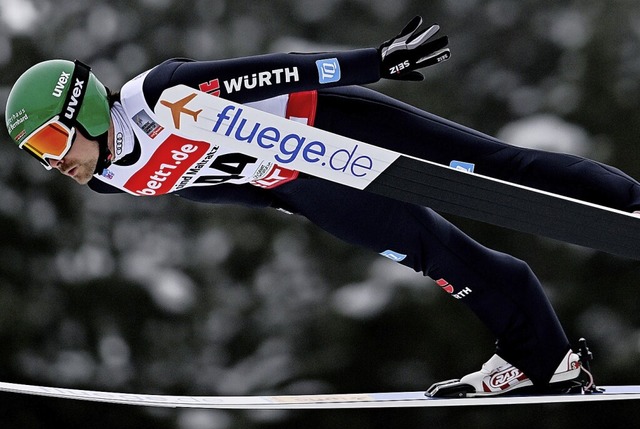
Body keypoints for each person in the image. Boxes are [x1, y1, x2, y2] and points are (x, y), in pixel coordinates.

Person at [5, 16, 637, 397]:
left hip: (326, 129)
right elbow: (216, 184)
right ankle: (542, 359)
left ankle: (630, 205)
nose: (54, 161)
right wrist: (290, 200)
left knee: (498, 168)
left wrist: (375, 63)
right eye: (38, 153)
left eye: (54, 139)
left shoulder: (161, 95)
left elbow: (277, 72)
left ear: (83, 110)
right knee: (435, 254)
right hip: (302, 183)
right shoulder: (110, 179)